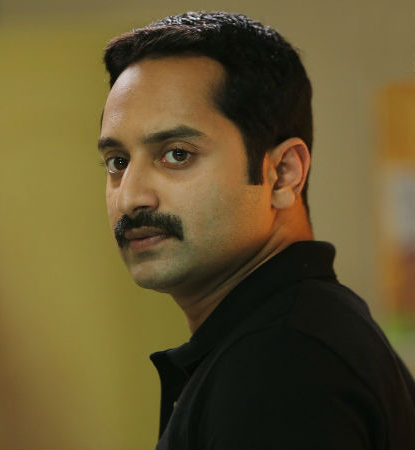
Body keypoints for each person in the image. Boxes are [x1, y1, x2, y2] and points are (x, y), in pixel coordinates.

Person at [97, 11, 415, 450]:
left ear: (283, 174)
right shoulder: (293, 336)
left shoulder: (284, 361)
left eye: (177, 154)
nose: (131, 197)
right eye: (117, 162)